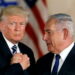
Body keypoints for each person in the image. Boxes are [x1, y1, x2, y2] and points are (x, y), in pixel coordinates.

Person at [0, 5, 35, 75]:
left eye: (21, 24)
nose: (17, 29)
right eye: (12, 24)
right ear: (1, 26)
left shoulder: (27, 51)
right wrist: (18, 67)